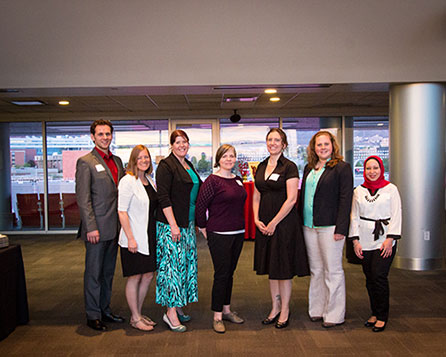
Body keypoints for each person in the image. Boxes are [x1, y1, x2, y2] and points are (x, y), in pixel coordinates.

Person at [253, 128, 309, 329]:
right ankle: (274, 307)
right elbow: (256, 195)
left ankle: (285, 309)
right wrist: (256, 218)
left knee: (283, 268)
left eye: (277, 140)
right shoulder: (260, 166)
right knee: (271, 267)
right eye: (270, 139)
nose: (273, 143)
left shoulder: (290, 166)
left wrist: (274, 222)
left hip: (283, 223)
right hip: (264, 223)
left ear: (284, 144)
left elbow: (292, 198)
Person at [299, 130, 353, 328]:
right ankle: (317, 309)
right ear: (313, 147)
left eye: (326, 144)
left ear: (333, 146)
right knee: (316, 270)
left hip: (331, 227)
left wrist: (342, 228)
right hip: (309, 225)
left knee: (333, 271)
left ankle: (335, 314)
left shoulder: (341, 168)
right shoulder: (309, 168)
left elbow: (346, 199)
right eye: (319, 144)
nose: (322, 148)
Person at [76, 119, 125, 331]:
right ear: (93, 137)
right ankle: (92, 314)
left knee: (107, 273)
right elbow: (83, 199)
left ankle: (105, 309)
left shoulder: (118, 161)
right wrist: (91, 227)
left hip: (114, 228)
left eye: (108, 134)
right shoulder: (85, 162)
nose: (105, 137)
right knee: (93, 273)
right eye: (101, 134)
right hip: (96, 229)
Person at [196, 144, 247, 334]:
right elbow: (201, 206)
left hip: (238, 233)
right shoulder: (212, 180)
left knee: (230, 273)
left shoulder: (238, 180)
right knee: (221, 274)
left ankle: (226, 310)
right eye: (225, 156)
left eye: (232, 156)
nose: (229, 159)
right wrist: (203, 228)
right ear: (218, 159)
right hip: (219, 234)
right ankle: (217, 315)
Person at [155, 129, 202, 332]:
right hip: (171, 226)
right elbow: (163, 197)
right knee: (172, 269)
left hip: (187, 224)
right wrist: (173, 225)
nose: (182, 145)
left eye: (185, 142)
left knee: (185, 266)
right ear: (171, 145)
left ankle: (178, 304)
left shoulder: (187, 164)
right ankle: (170, 312)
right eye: (178, 142)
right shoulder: (166, 166)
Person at [349, 156, 401, 333]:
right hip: (364, 239)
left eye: (375, 168)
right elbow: (354, 216)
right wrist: (355, 241)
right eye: (368, 168)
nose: (372, 172)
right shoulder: (359, 191)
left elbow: (396, 214)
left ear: (381, 169)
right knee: (369, 277)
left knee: (379, 276)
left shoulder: (391, 189)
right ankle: (374, 312)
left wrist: (390, 239)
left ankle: (382, 315)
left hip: (384, 240)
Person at [117, 145, 158, 332]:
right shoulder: (128, 181)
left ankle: (139, 314)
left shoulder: (149, 179)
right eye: (140, 158)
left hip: (149, 236)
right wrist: (131, 238)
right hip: (133, 237)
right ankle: (134, 317)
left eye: (146, 157)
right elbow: (122, 211)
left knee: (148, 275)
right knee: (135, 277)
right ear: (133, 160)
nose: (144, 160)